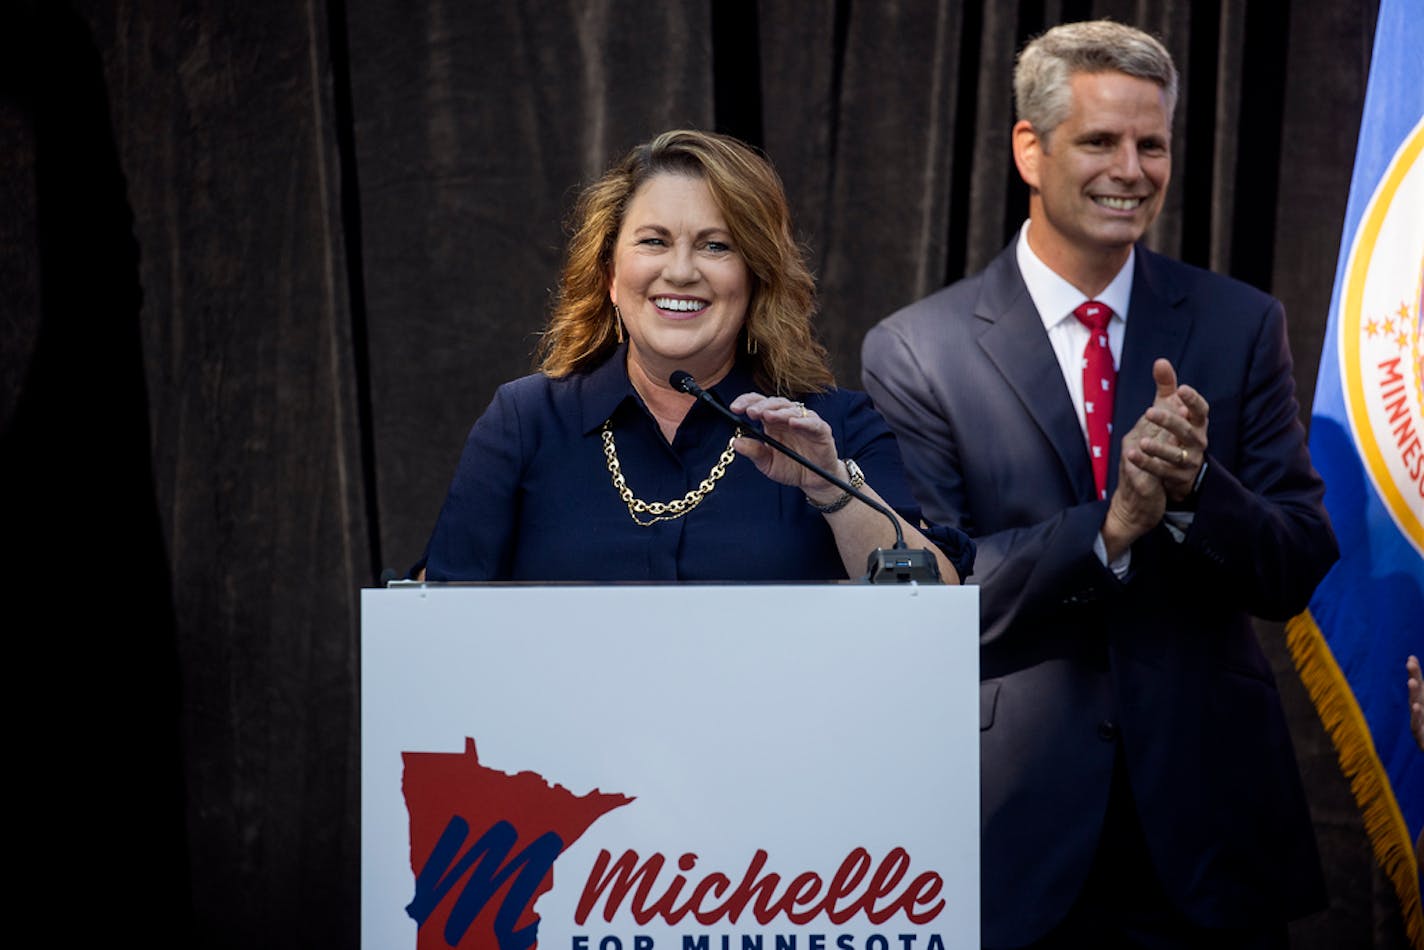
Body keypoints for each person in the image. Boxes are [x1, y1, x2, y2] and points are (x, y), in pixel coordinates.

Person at [861, 20, 1337, 949]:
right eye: (1100, 141)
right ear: (1029, 150)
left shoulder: (1241, 325)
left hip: (1210, 838)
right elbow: (925, 593)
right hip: (1012, 834)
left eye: (1151, 143)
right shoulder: (918, 349)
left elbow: (1296, 564)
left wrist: (1199, 487)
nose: (1132, 168)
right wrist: (1111, 530)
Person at [419, 129, 971, 584]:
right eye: (653, 241)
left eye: (716, 245)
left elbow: (932, 608)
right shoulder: (524, 422)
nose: (681, 271)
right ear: (611, 276)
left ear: (755, 279)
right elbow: (439, 622)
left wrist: (832, 489)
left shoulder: (838, 427)